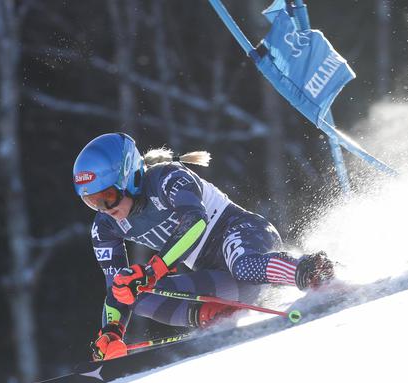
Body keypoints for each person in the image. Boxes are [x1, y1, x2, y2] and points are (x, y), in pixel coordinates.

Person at [73, 132, 334, 361]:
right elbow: (115, 286)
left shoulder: (168, 178)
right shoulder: (104, 227)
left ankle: (310, 270)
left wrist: (154, 269)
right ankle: (215, 315)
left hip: (244, 235)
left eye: (107, 197)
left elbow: (196, 223)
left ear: (131, 177)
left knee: (242, 264)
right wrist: (112, 331)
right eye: (91, 202)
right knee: (133, 292)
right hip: (221, 279)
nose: (104, 209)